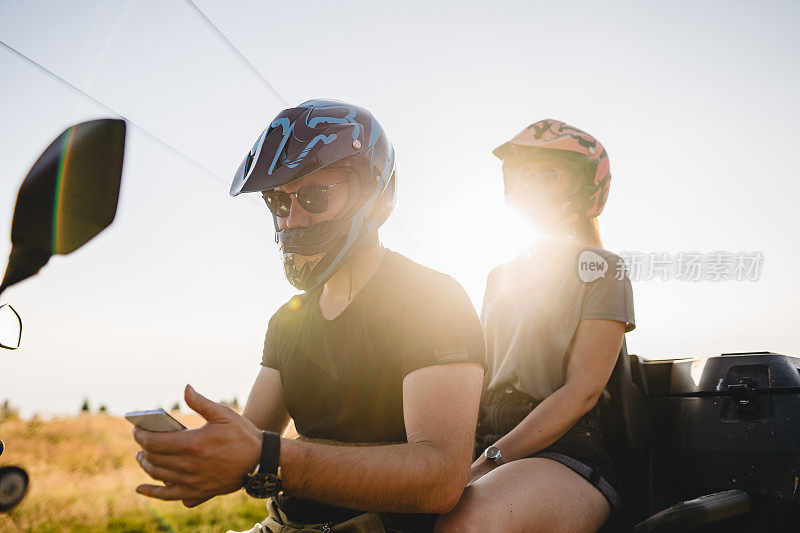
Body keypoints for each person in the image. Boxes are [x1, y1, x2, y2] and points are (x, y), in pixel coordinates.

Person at [132, 99, 486, 533]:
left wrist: (269, 457)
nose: (291, 219)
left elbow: (440, 478)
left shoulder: (432, 300)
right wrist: (201, 455)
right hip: (281, 524)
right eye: (278, 201)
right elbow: (253, 436)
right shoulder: (288, 321)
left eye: (314, 197)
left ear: (372, 193)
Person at [436, 119, 636, 532]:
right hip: (487, 438)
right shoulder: (498, 275)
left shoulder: (603, 270)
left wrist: (489, 460)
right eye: (520, 174)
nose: (529, 186)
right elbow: (478, 374)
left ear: (586, 186)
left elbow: (581, 393)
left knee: (468, 523)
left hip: (568, 452)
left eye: (549, 175)